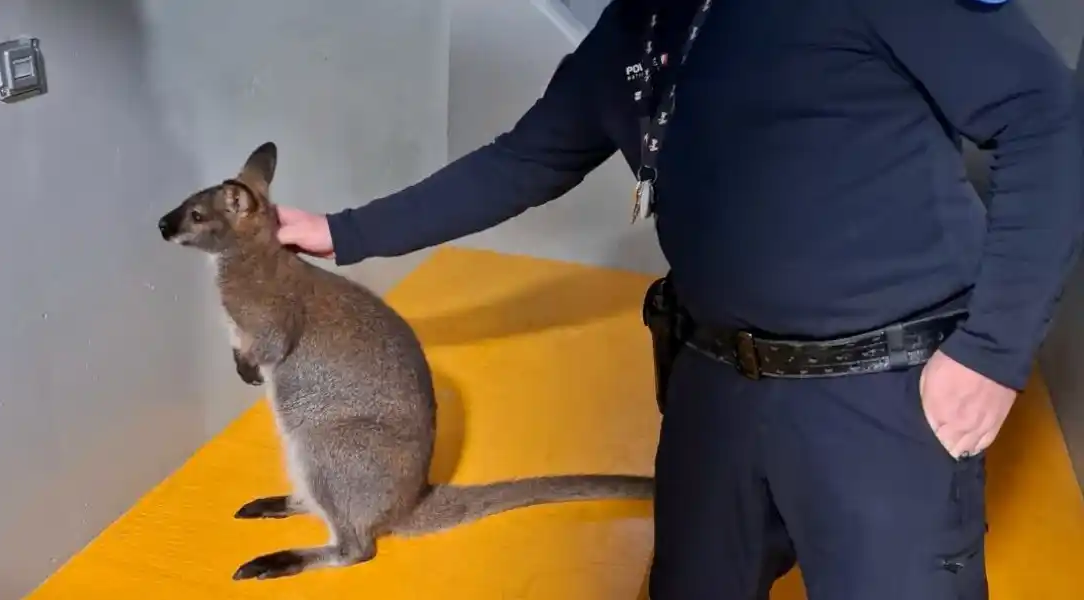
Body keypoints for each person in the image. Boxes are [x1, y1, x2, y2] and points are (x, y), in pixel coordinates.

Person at [271, 0, 1082, 598]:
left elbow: (1046, 116)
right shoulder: (642, 23)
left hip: (882, 395)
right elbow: (526, 158)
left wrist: (994, 353)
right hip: (712, 383)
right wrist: (343, 232)